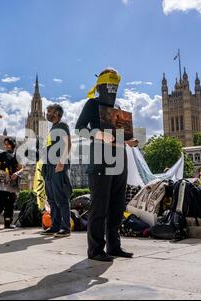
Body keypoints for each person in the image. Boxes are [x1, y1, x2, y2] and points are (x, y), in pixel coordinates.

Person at [75, 68, 138, 262]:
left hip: (120, 158)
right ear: (101, 85)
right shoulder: (92, 104)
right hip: (99, 160)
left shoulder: (117, 107)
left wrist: (129, 141)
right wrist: (98, 135)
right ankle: (95, 250)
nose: (113, 89)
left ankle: (114, 246)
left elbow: (119, 135)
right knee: (99, 206)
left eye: (115, 85)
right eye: (110, 85)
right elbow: (79, 129)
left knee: (117, 206)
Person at [40, 104, 72, 238]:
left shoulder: (62, 125)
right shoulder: (52, 128)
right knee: (52, 199)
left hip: (58, 165)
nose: (47, 113)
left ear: (57, 113)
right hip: (48, 167)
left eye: (49, 111)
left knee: (61, 198)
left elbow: (68, 143)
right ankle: (55, 226)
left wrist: (62, 161)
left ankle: (65, 228)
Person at [0, 137, 23, 229]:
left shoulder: (18, 156)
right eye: (5, 144)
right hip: (1, 181)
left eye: (8, 144)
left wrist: (16, 173)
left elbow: (21, 168)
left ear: (13, 144)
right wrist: (4, 173)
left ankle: (8, 223)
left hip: (12, 181)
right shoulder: (1, 155)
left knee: (10, 202)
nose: (6, 146)